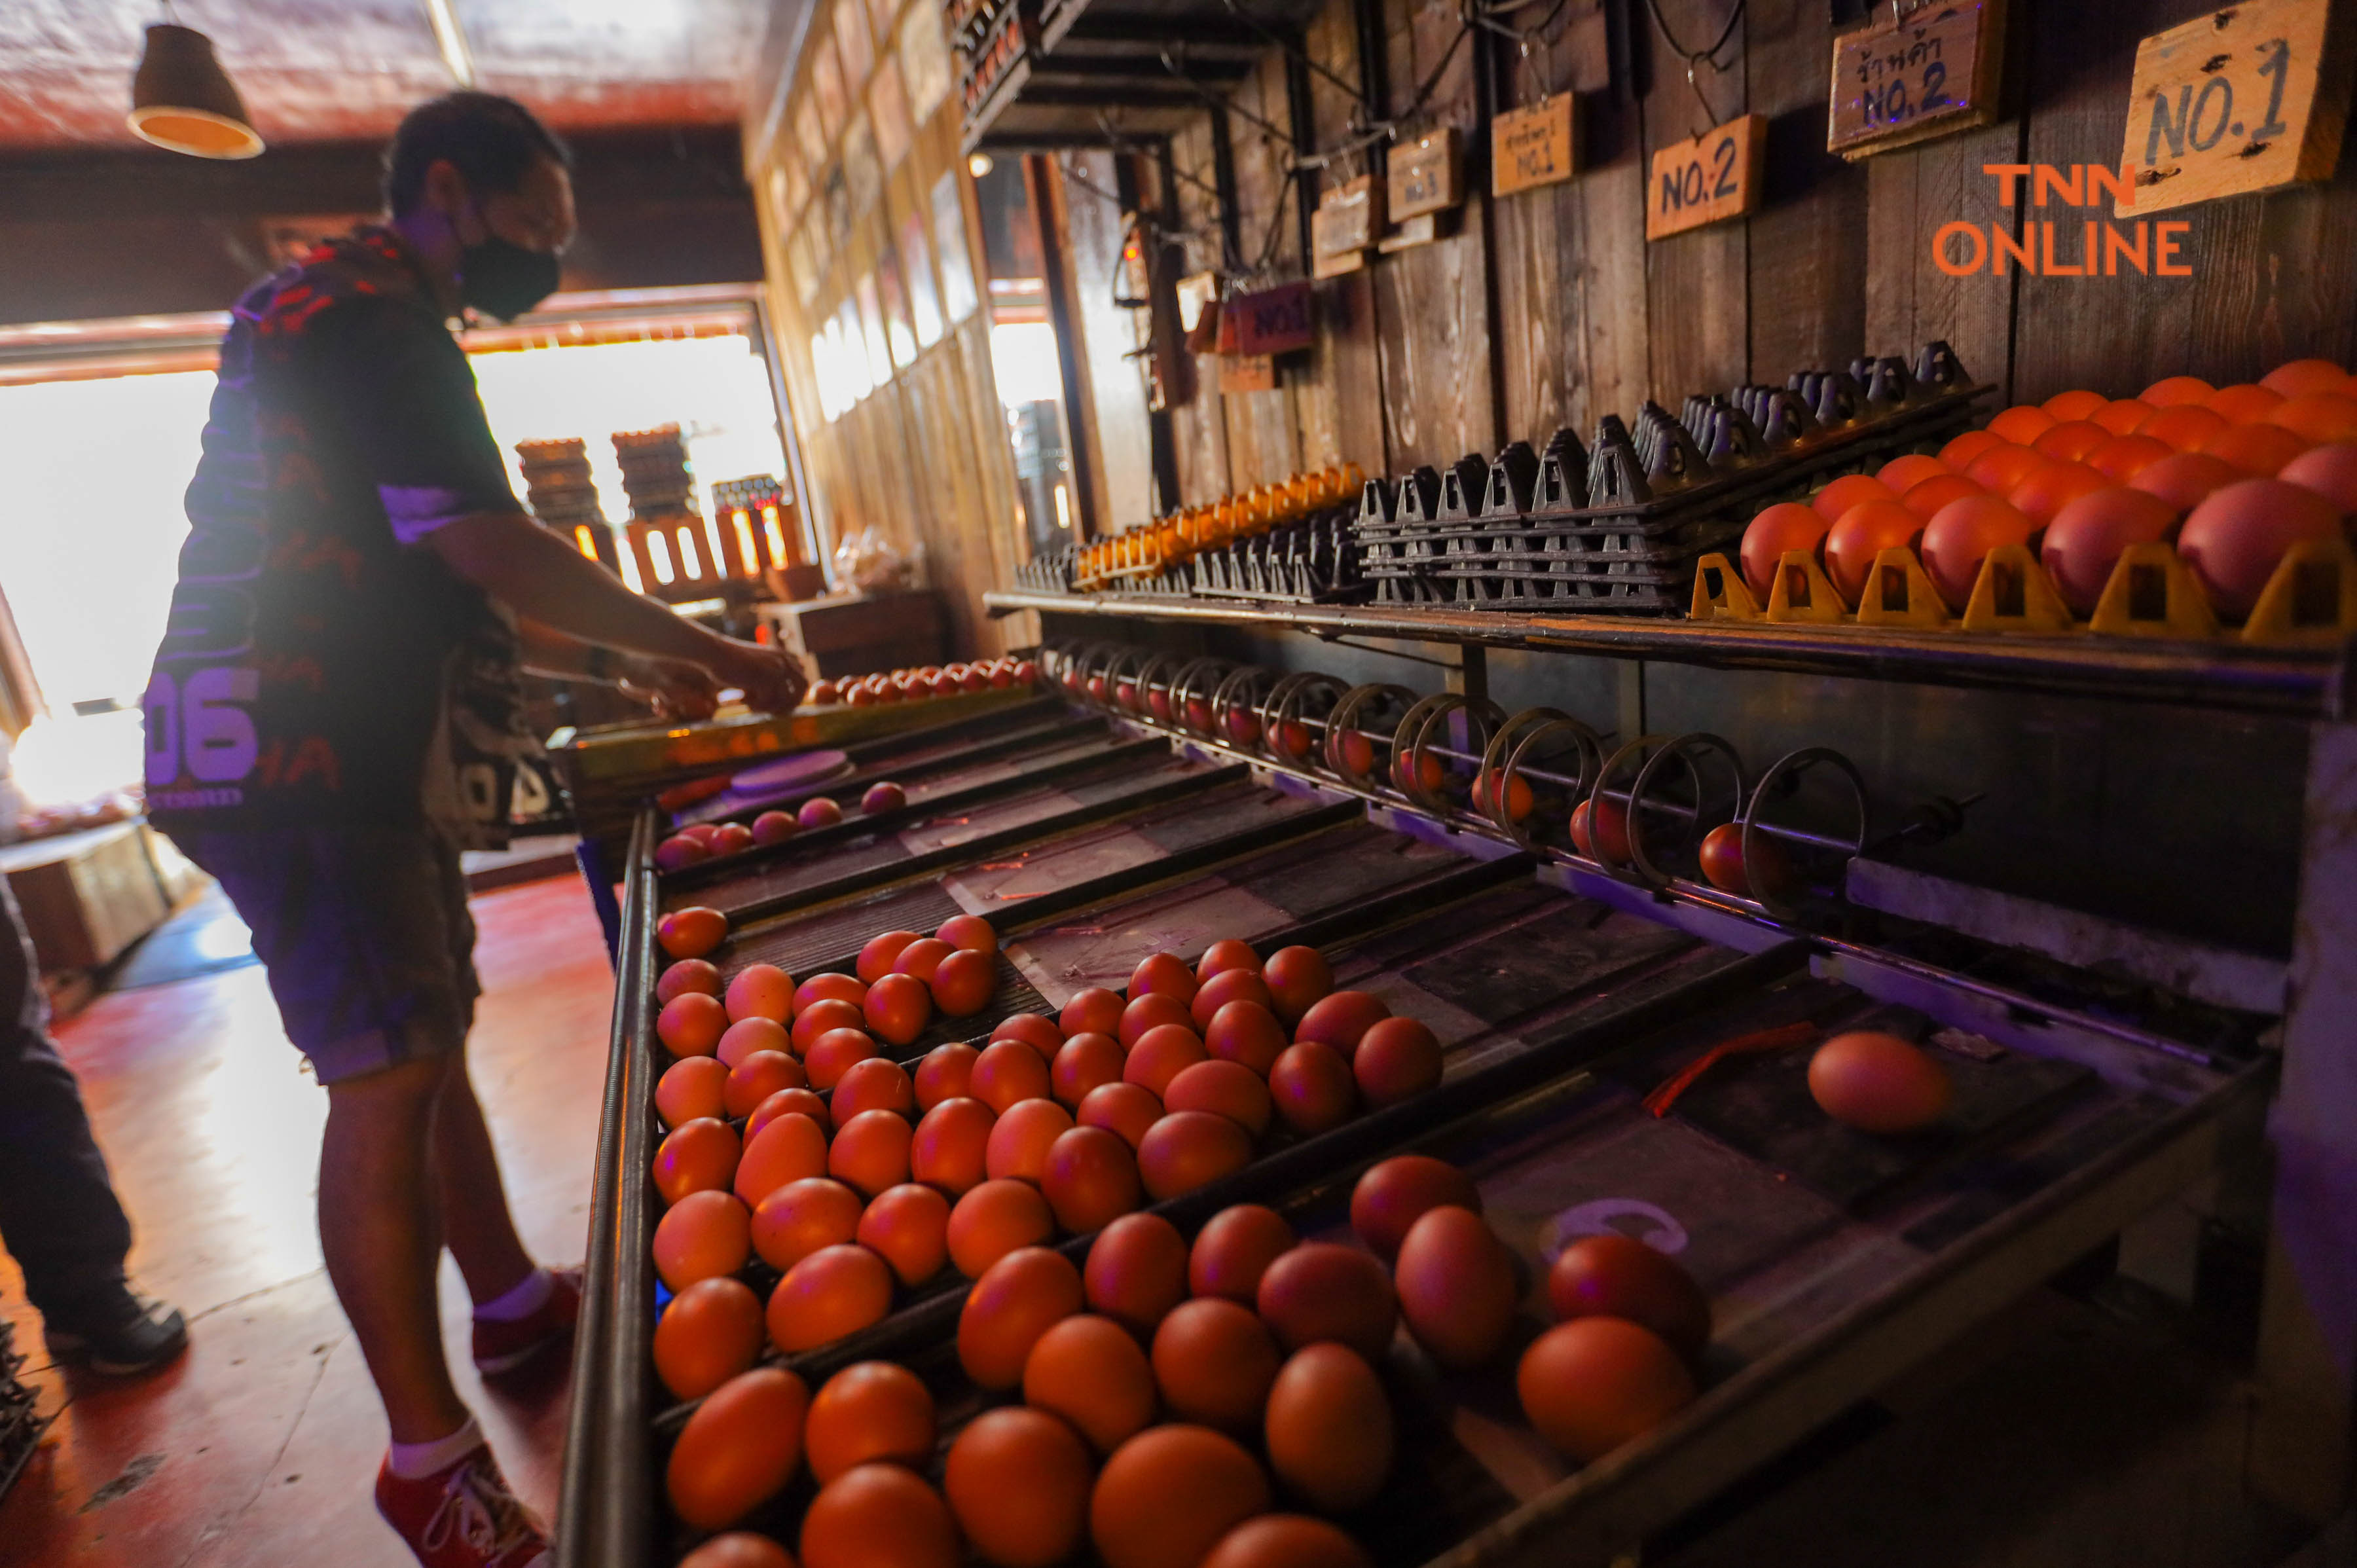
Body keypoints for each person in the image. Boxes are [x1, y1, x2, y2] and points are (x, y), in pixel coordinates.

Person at [140, 92, 805, 1568]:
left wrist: (628, 661)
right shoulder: (383, 320)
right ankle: (424, 1463)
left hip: (301, 728)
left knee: (423, 1030)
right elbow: (482, 543)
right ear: (452, 189)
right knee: (383, 1077)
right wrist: (728, 651)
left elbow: (414, 582)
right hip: (301, 754)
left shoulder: (313, 304)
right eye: (539, 228)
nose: (545, 261)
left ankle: (508, 1301)